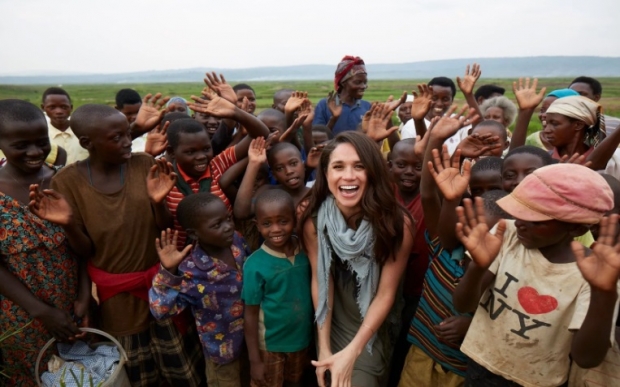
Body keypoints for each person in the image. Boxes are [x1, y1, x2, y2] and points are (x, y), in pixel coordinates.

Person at [40, 103, 206, 386]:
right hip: (117, 300)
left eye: (128, 134)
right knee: (137, 372)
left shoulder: (143, 165)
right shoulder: (67, 182)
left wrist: (158, 203)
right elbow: (85, 252)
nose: (128, 141)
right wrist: (68, 224)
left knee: (182, 370)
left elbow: (165, 229)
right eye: (116, 138)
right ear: (86, 143)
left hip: (161, 289)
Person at [453, 163, 619, 386]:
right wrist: (477, 268)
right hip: (479, 365)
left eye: (535, 219)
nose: (520, 223)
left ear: (577, 228)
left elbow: (586, 358)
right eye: (519, 211)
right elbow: (463, 305)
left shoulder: (595, 274)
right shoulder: (506, 234)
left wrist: (603, 295)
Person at [300, 131, 414, 387]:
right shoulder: (314, 221)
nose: (348, 176)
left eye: (359, 166)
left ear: (372, 172)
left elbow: (386, 294)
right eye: (338, 167)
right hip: (330, 321)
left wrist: (353, 351)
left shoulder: (397, 223)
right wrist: (325, 347)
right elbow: (322, 280)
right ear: (326, 173)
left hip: (371, 327)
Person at [0, 100, 89, 386]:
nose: (35, 152)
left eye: (41, 142)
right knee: (36, 375)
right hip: (22, 315)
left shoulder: (62, 181)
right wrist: (42, 312)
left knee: (79, 373)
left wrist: (85, 298)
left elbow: (85, 250)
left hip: (73, 306)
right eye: (21, 145)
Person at [150, 193, 251, 387]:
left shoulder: (237, 241)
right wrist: (168, 271)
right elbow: (160, 311)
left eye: (228, 219)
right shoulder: (191, 271)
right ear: (194, 233)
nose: (228, 226)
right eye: (216, 225)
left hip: (253, 342)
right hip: (222, 354)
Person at [165, 91, 271, 249]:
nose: (201, 156)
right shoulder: (165, 177)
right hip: (183, 259)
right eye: (190, 152)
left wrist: (236, 113)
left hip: (227, 252)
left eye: (206, 149)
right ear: (172, 152)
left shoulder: (217, 165)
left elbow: (261, 134)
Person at [242, 189, 313, 387]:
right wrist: (254, 360)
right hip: (270, 346)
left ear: (295, 219)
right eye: (267, 224)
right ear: (257, 225)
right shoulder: (255, 264)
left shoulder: (306, 251)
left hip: (301, 342)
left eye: (283, 221)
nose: (275, 229)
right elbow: (250, 314)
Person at [385, 138, 427, 386]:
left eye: (418, 166)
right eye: (401, 164)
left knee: (404, 345)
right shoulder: (382, 192)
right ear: (389, 166)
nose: (410, 172)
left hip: (418, 291)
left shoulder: (431, 197)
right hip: (385, 288)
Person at [312, 56, 372, 134]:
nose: (363, 86)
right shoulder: (324, 105)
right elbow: (317, 138)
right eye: (357, 82)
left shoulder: (367, 106)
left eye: (365, 82)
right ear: (343, 83)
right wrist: (334, 118)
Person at [41, 87, 89, 164]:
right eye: (52, 107)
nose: (59, 111)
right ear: (43, 108)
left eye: (64, 107)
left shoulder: (85, 131)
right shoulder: (41, 135)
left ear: (71, 108)